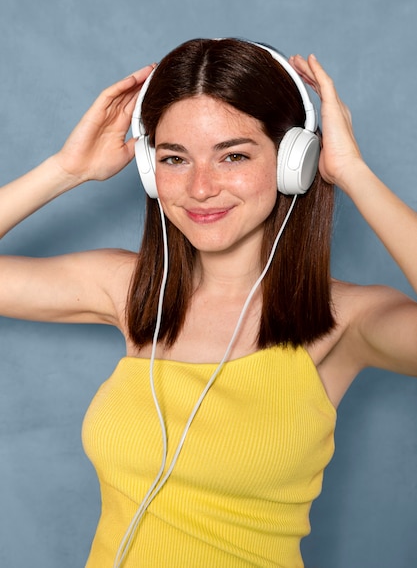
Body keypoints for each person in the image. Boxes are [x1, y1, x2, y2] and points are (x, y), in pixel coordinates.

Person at [0, 37, 416, 568]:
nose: (199, 188)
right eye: (174, 159)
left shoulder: (347, 321)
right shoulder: (130, 292)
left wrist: (354, 173)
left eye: (233, 155)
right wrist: (66, 169)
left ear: (296, 162)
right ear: (150, 171)